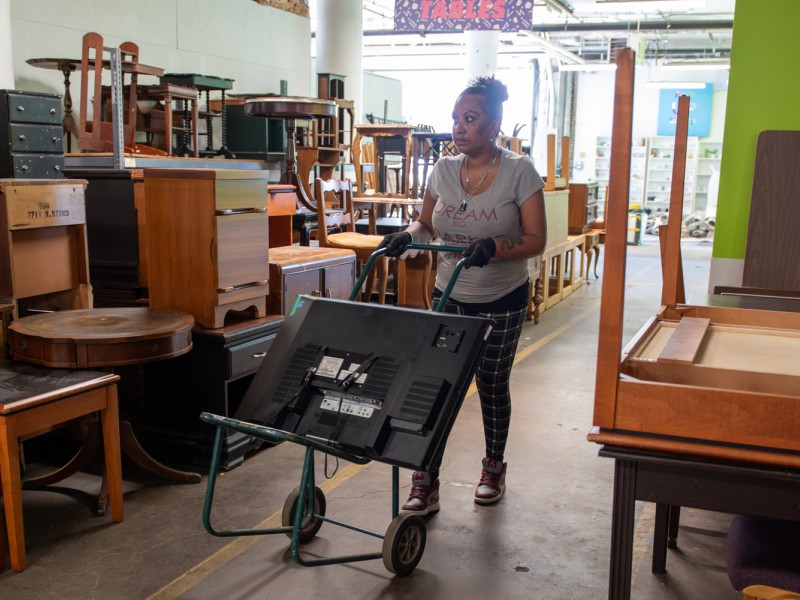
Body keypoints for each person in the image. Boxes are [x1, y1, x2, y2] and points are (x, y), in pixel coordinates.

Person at [377, 75, 547, 514]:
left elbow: (536, 239)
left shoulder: (518, 171)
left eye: (470, 119)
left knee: (490, 384)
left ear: (494, 125)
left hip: (501, 297)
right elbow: (426, 224)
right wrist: (406, 236)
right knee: (436, 385)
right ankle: (426, 477)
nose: (459, 127)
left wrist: (494, 246)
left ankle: (493, 466)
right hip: (448, 292)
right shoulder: (443, 170)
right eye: (456, 119)